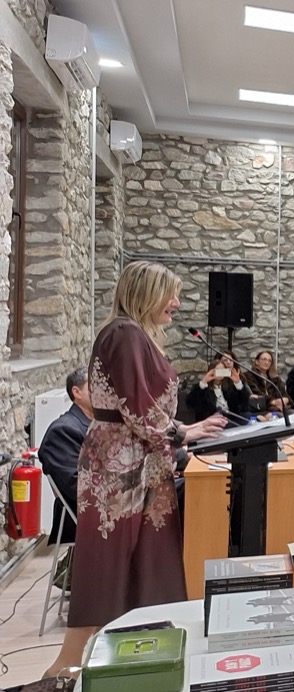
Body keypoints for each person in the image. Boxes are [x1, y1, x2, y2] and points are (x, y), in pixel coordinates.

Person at [45, 261, 226, 680]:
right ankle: (66, 667)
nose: (176, 302)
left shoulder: (136, 334)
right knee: (109, 564)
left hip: (140, 461)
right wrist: (184, 433)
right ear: (146, 293)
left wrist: (184, 432)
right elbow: (138, 408)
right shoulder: (124, 333)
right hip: (119, 467)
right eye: (170, 294)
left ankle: (136, 657)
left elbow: (141, 406)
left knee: (145, 560)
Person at [39, 367, 91, 543]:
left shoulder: (100, 424)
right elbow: (78, 487)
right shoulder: (63, 430)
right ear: (77, 392)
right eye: (95, 386)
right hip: (89, 515)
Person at [185, 352, 251, 423]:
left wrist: (238, 383)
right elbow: (190, 402)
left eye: (222, 371)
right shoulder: (203, 388)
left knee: (248, 416)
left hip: (230, 418)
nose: (220, 373)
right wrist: (203, 382)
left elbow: (244, 403)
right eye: (217, 371)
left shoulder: (229, 386)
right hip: (213, 421)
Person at [245, 350, 289, 419]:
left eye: (269, 361)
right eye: (264, 359)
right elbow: (255, 392)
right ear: (256, 361)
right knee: (280, 416)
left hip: (277, 406)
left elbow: (283, 392)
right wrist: (272, 401)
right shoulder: (249, 375)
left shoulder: (275, 377)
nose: (267, 362)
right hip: (261, 407)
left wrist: (285, 399)